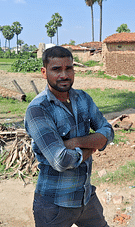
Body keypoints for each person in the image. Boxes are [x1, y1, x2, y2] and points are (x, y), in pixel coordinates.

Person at [25, 46, 114, 227]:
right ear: (44, 72)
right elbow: (61, 160)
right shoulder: (38, 110)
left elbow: (108, 131)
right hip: (55, 204)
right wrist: (94, 144)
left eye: (69, 68)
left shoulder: (83, 98)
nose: (64, 75)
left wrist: (75, 142)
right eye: (56, 69)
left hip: (85, 197)